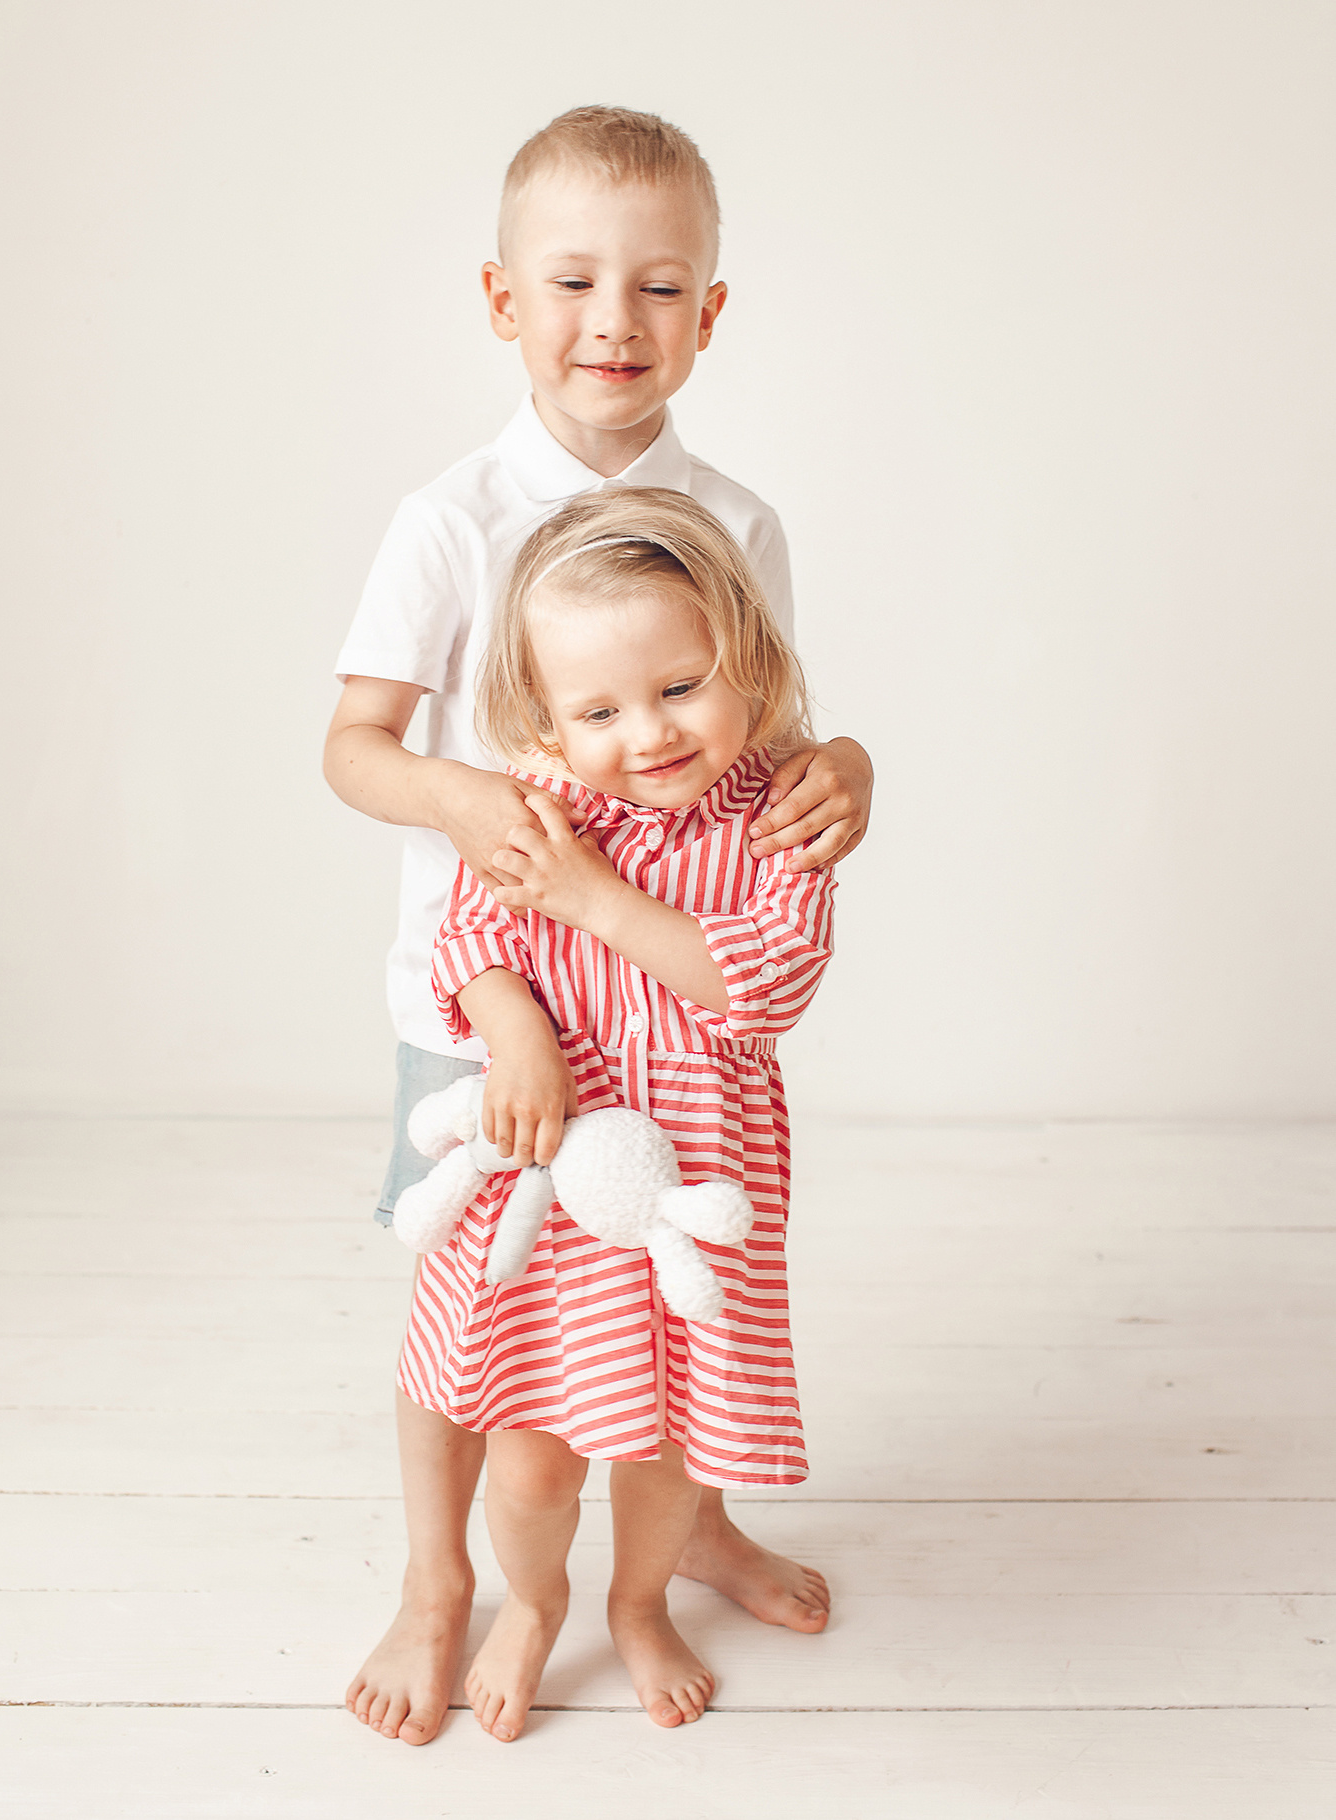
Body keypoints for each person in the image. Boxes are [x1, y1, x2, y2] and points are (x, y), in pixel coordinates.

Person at [327, 105, 871, 1746]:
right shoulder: (452, 516)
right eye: (570, 283)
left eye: (655, 287)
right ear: (504, 301)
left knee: (660, 1275)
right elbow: (354, 747)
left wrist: (848, 763)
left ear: (710, 312)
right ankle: (442, 1578)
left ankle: (680, 1520)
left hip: (664, 992)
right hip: (483, 984)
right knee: (469, 1305)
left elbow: (769, 734)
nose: (611, 322)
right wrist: (466, 806)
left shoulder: (741, 520)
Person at [416, 487, 837, 1740]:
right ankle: (533, 1601)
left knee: (666, 1439)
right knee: (534, 1445)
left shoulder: (778, 820)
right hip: (553, 1172)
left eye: (682, 686)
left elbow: (763, 988)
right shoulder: (540, 805)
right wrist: (519, 1033)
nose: (645, 733)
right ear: (546, 716)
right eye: (598, 710)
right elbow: (472, 934)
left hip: (692, 1177)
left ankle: (643, 1600)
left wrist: (597, 903)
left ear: (747, 663)